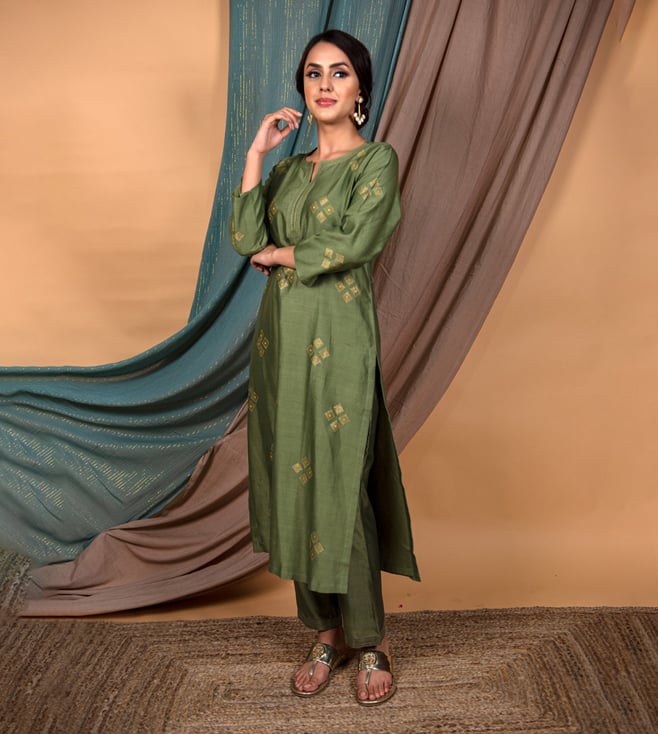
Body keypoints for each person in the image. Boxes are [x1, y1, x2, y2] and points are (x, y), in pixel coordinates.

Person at [230, 29, 419, 706]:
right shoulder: (287, 171)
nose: (325, 84)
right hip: (281, 341)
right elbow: (246, 237)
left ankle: (371, 640)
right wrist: (256, 153)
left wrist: (283, 256)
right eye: (313, 74)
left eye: (340, 73)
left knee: (341, 484)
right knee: (294, 482)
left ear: (360, 87)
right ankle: (325, 632)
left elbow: (356, 240)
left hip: (340, 338)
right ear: (303, 88)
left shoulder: (375, 162)